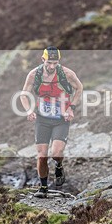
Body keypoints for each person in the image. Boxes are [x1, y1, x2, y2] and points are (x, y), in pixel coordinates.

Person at [20, 47, 83, 197]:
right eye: (49, 63)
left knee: (56, 153)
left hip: (61, 119)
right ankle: (43, 188)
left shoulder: (66, 74)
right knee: (42, 155)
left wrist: (71, 108)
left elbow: (79, 88)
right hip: (42, 119)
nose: (52, 66)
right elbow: (24, 94)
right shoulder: (34, 74)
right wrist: (29, 110)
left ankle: (59, 165)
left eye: (55, 63)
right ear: (43, 60)